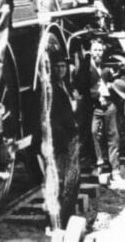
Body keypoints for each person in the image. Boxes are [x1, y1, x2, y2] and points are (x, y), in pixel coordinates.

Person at [74, 39, 120, 177]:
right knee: (94, 133)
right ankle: (99, 162)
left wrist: (111, 87)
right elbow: (81, 87)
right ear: (90, 51)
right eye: (95, 50)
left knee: (113, 135)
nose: (98, 53)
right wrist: (97, 95)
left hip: (109, 105)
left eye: (100, 50)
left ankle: (115, 167)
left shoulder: (106, 69)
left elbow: (115, 85)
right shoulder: (85, 68)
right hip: (95, 107)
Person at [48, 50, 80, 226]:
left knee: (73, 179)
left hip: (72, 135)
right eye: (58, 66)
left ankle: (68, 217)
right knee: (62, 180)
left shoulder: (67, 84)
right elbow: (51, 116)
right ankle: (60, 221)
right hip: (62, 138)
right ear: (52, 68)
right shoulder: (52, 88)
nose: (61, 69)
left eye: (63, 66)